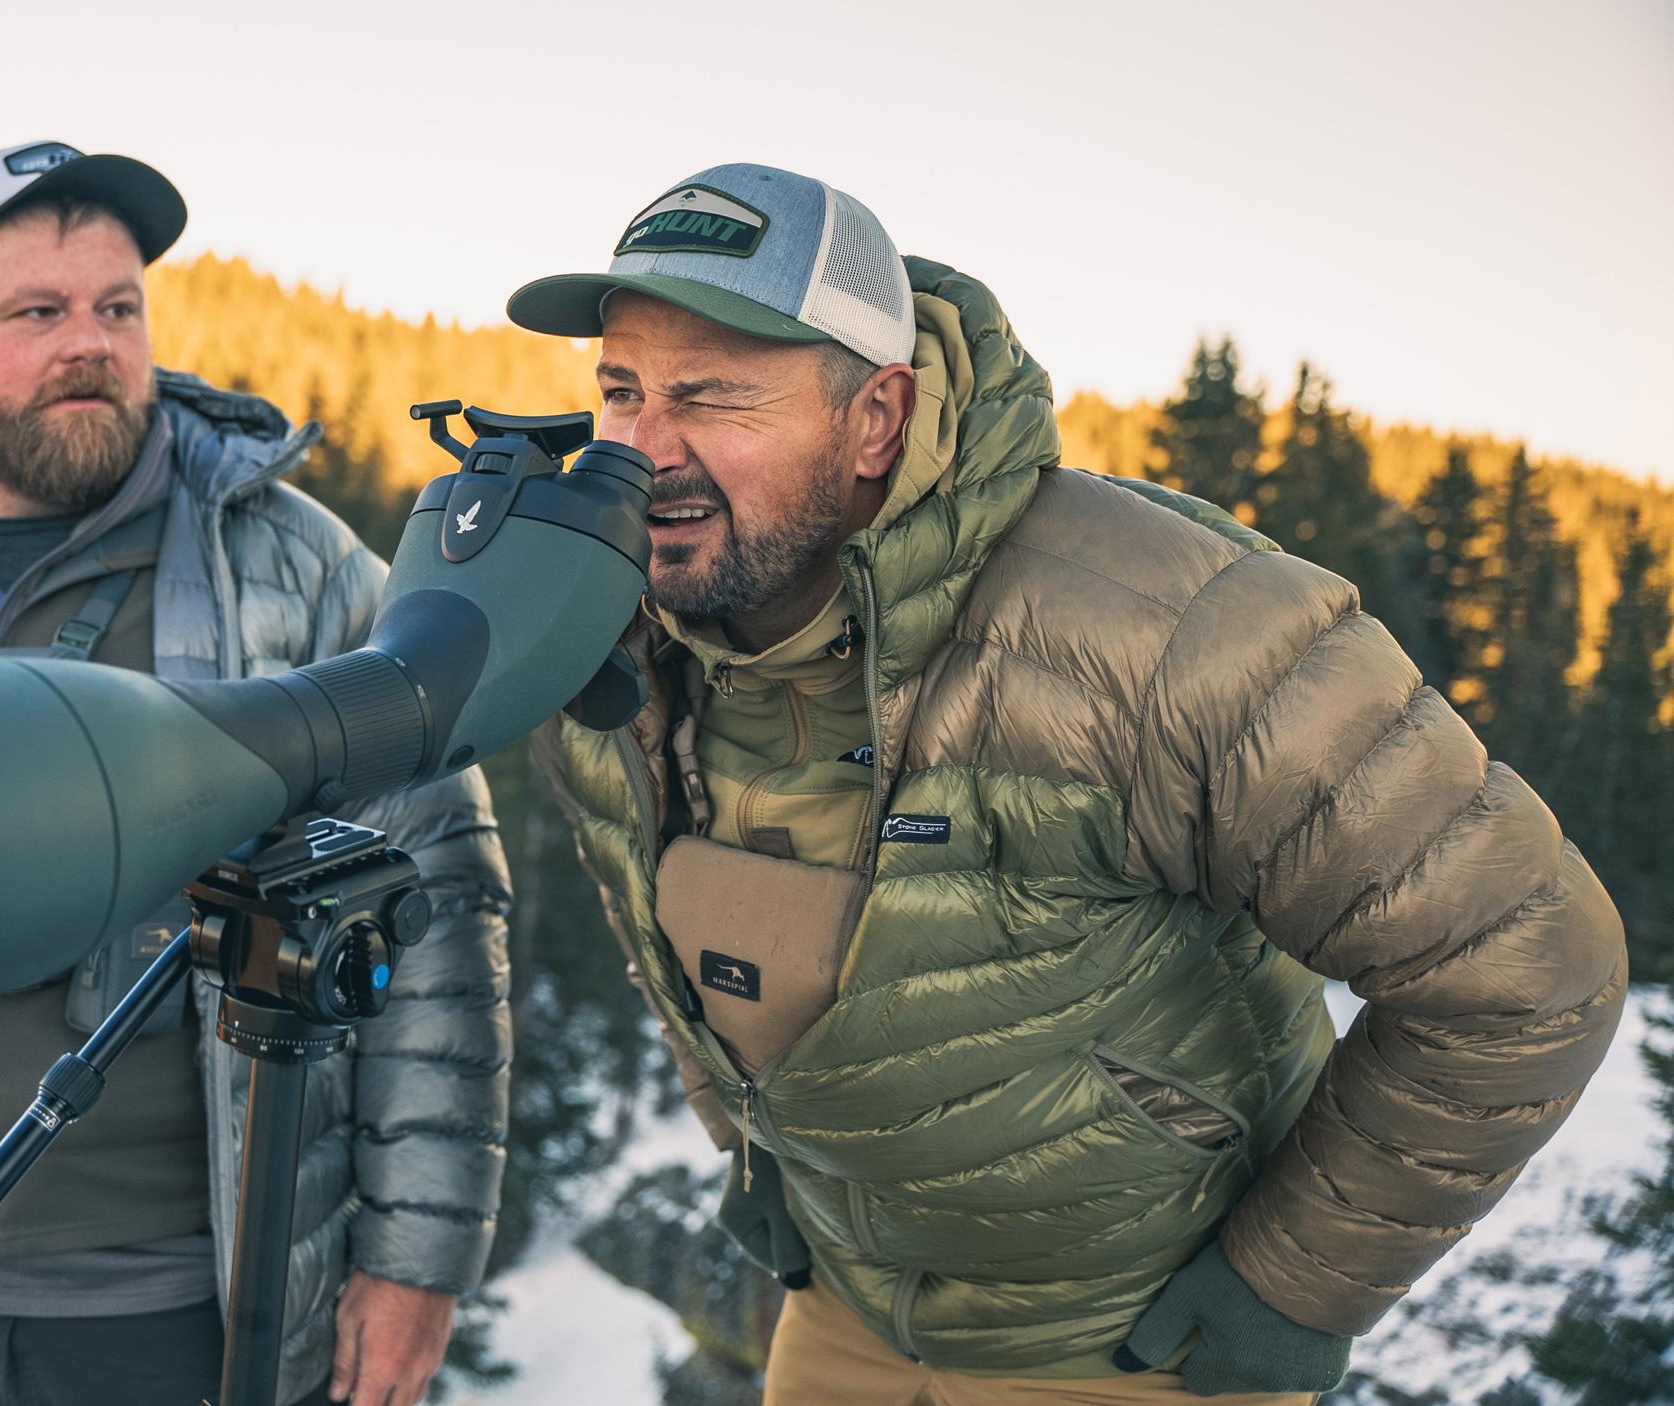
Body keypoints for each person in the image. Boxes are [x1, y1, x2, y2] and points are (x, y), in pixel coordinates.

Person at [509, 162, 1627, 1403]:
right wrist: (753, 1145)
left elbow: (1531, 965)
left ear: (876, 416)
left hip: (1134, 1347)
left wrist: (1297, 1278)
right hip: (842, 1315)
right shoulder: (608, 632)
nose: (639, 451)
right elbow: (662, 916)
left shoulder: (1176, 632)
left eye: (711, 399)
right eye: (620, 390)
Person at [0, 140, 512, 1406]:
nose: (92, 344)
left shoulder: (287, 568)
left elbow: (433, 897)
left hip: (173, 1314)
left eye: (118, 307)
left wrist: (417, 1261)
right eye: (38, 312)